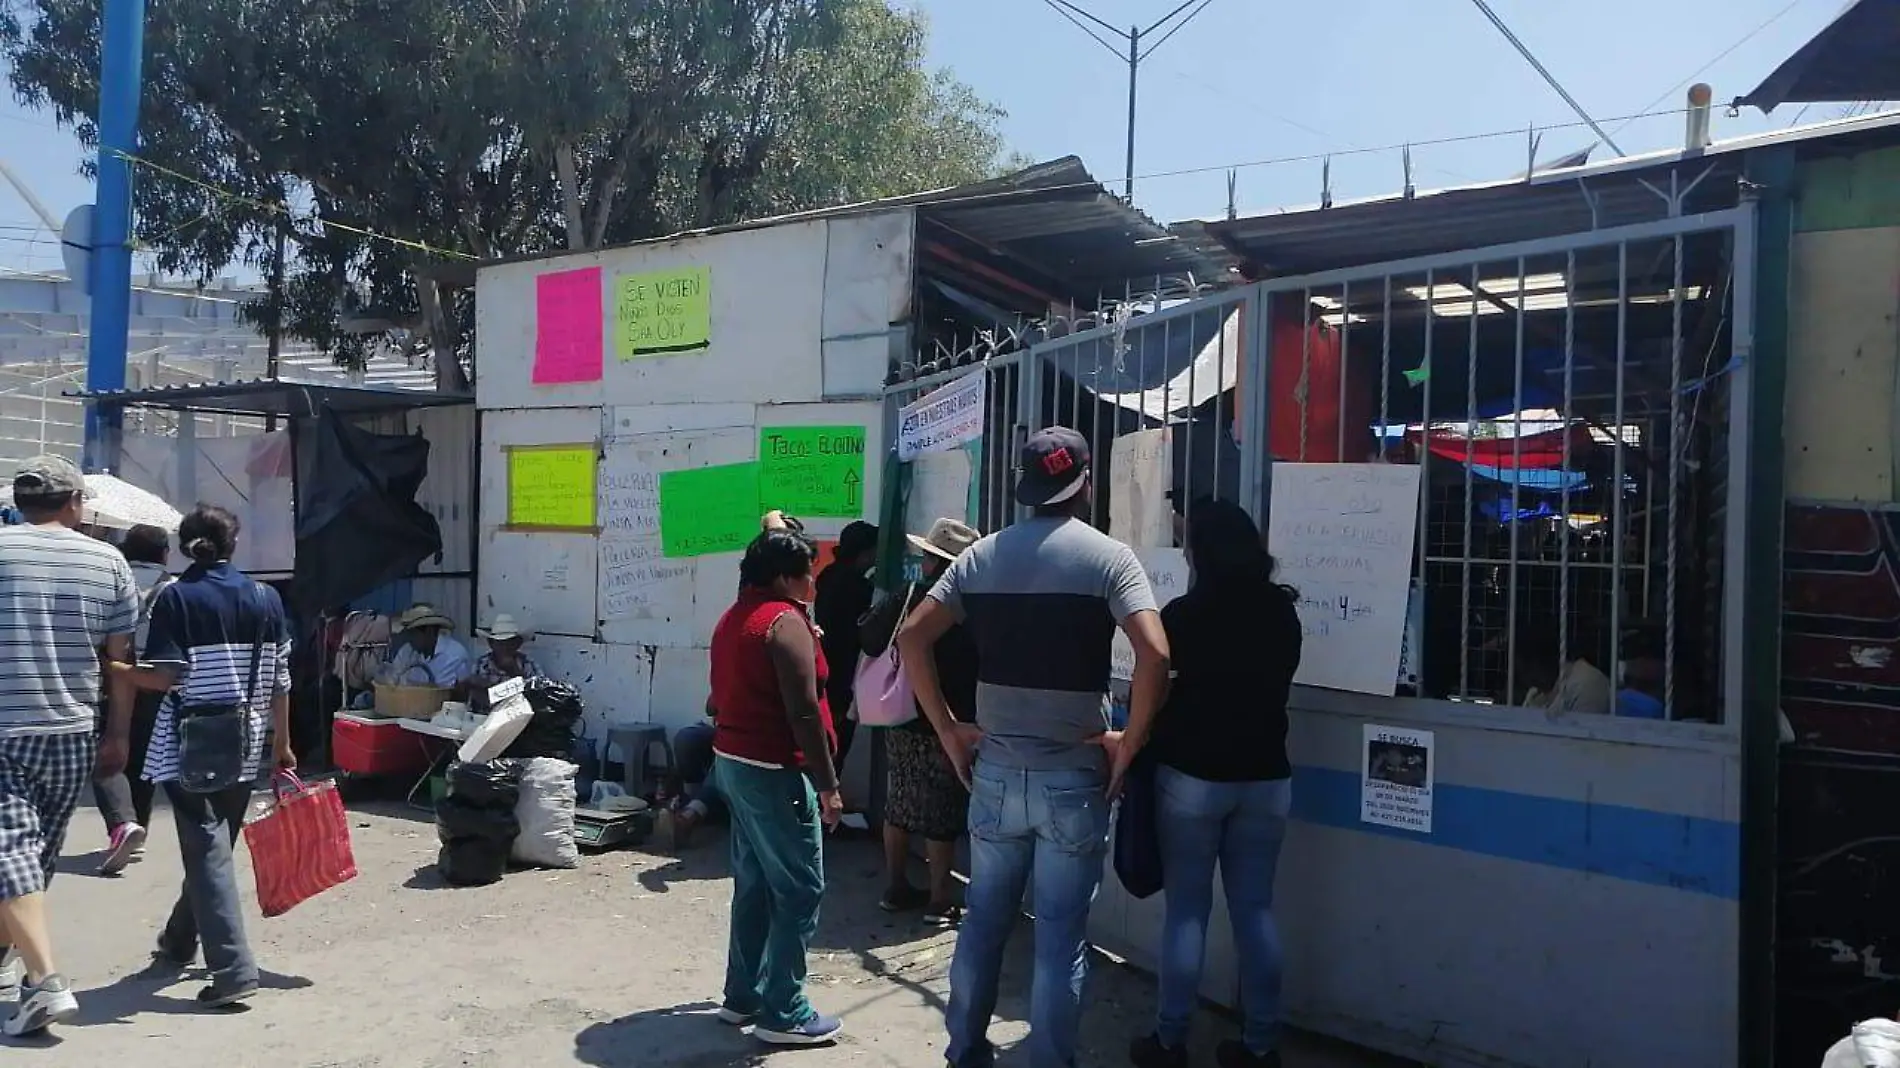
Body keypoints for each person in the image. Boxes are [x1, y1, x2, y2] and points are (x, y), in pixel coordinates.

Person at [899, 426, 1169, 1068]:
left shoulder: (978, 558)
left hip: (993, 773)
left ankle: (965, 1050)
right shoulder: (1110, 559)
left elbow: (912, 639)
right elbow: (1156, 654)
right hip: (1075, 776)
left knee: (984, 922)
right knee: (1060, 940)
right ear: (1083, 485)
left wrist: (948, 729)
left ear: (1026, 486)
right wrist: (1127, 744)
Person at [1130, 498, 1303, 1068]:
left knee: (1187, 913)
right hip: (1266, 776)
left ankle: (1170, 1040)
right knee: (1256, 911)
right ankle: (1261, 1045)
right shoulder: (1283, 613)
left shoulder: (1184, 615)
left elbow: (1158, 690)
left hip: (1193, 777)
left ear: (1200, 551)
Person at [107, 504, 295, 1008]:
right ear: (232, 545)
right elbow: (280, 679)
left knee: (207, 850)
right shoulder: (265, 597)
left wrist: (120, 670)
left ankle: (233, 970)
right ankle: (178, 941)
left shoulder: (175, 598)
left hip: (189, 740)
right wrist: (283, 744)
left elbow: (165, 677)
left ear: (184, 546)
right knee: (212, 847)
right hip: (248, 738)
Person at [0, 456, 139, 1035]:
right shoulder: (109, 561)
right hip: (72, 732)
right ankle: (36, 978)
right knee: (26, 860)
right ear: (75, 503)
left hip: (6, 729)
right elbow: (121, 663)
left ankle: (45, 985)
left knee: (15, 860)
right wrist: (118, 735)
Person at [706, 523, 845, 1047]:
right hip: (772, 769)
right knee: (800, 887)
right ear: (785, 579)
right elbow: (804, 713)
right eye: (807, 575)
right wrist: (828, 784)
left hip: (734, 762)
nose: (813, 584)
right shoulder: (781, 624)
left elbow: (714, 700)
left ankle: (743, 994)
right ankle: (783, 1010)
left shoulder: (734, 619)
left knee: (757, 881)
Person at [857, 517, 981, 921]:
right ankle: (941, 898)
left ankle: (896, 886)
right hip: (951, 717)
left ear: (931, 560)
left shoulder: (908, 597)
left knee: (900, 800)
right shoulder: (972, 605)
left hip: (902, 714)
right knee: (942, 809)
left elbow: (869, 637)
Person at [90, 523, 175, 875]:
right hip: (154, 680)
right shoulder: (171, 587)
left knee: (107, 753)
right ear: (164, 554)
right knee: (143, 756)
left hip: (110, 677)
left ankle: (123, 824)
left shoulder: (110, 579)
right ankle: (137, 823)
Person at [812, 520, 878, 770]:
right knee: (836, 745)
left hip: (827, 669)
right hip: (841, 674)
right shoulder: (856, 587)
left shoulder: (829, 577)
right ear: (864, 553)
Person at [1514, 624, 1612, 715]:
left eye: (1524, 667)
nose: (1522, 675)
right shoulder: (1535, 693)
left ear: (1540, 660)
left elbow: (1583, 732)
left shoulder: (1587, 684)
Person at [460, 614, 541, 709]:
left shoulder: (529, 664)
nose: (505, 648)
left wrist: (515, 672)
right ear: (491, 644)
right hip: (484, 716)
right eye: (500, 643)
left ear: (517, 644)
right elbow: (474, 696)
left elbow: (538, 696)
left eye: (509, 643)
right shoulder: (481, 664)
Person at [382, 605, 473, 688]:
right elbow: (392, 678)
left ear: (429, 632)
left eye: (413, 634)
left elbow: (460, 691)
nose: (409, 639)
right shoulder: (406, 651)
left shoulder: (455, 655)